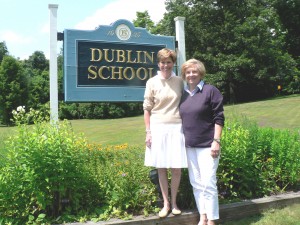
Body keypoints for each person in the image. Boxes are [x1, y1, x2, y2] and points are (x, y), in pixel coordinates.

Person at [179, 59, 225, 225]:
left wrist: (216, 141)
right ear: (184, 75)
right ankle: (203, 216)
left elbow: (219, 117)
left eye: (194, 72)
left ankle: (212, 220)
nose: (191, 75)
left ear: (200, 73)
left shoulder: (210, 91)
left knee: (208, 183)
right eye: (188, 72)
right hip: (189, 147)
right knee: (197, 184)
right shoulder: (183, 94)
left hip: (208, 145)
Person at [143, 48, 188, 218]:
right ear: (158, 63)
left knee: (176, 169)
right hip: (158, 128)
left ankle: (174, 202)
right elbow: (147, 109)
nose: (165, 65)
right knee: (161, 168)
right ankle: (166, 203)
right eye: (162, 62)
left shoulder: (179, 81)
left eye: (168, 62)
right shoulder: (151, 82)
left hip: (177, 127)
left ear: (173, 63)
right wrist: (148, 132)